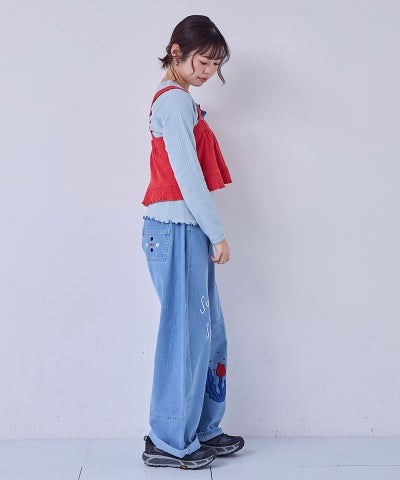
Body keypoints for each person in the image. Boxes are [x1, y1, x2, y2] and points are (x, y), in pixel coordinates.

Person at [141, 15, 244, 470]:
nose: (208, 73)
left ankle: (203, 428)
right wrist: (217, 233)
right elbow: (188, 178)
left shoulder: (180, 100)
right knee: (185, 338)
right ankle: (168, 440)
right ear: (176, 51)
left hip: (183, 230)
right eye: (203, 62)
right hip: (176, 229)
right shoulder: (175, 102)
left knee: (206, 334)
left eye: (216, 65)